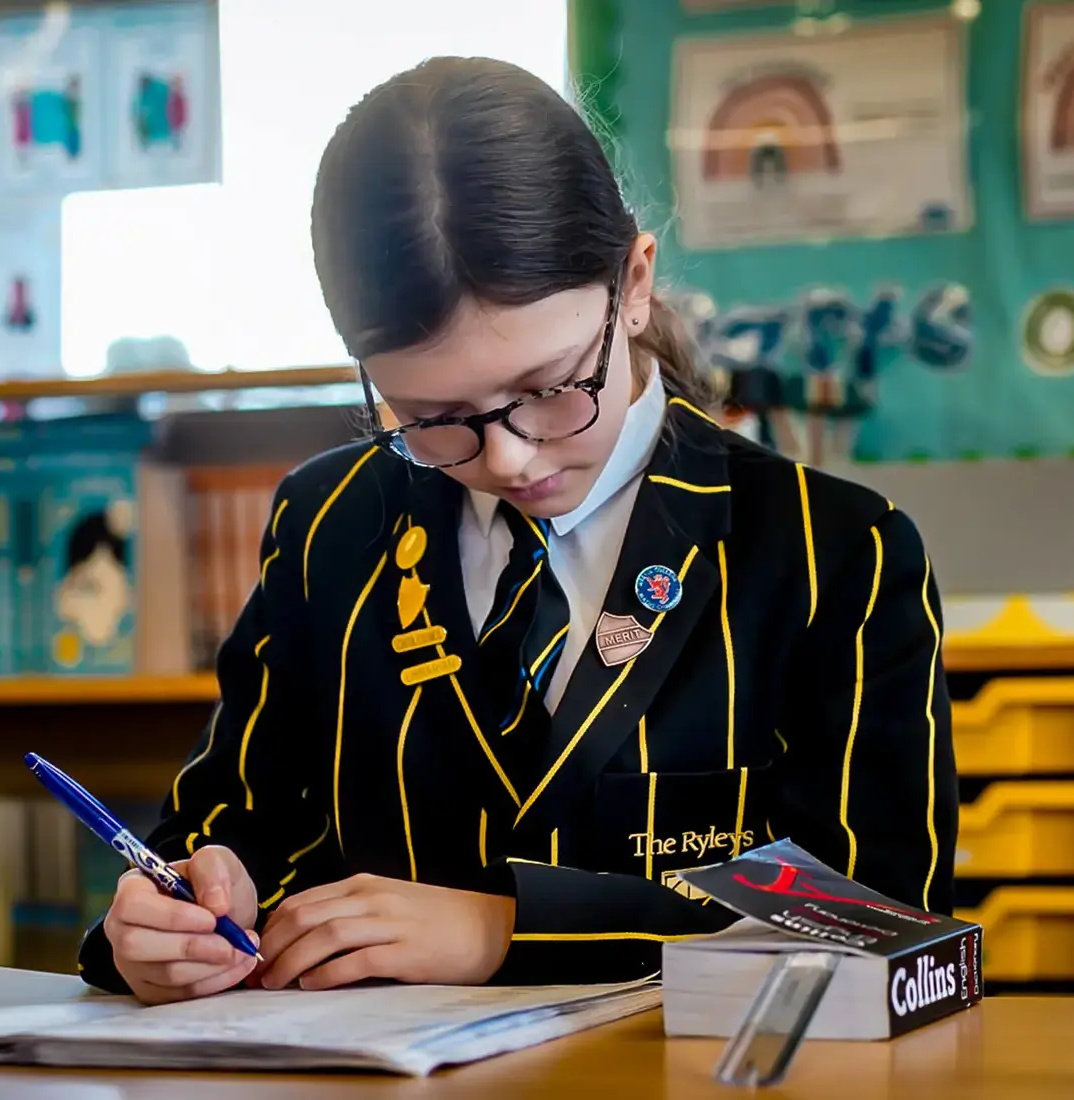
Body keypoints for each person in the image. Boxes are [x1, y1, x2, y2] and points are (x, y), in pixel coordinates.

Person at [77, 56, 957, 1005]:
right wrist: (163, 925)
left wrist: (509, 926)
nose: (506, 459)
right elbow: (220, 830)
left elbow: (882, 927)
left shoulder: (835, 556)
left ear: (636, 283)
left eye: (548, 389)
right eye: (431, 414)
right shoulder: (329, 526)